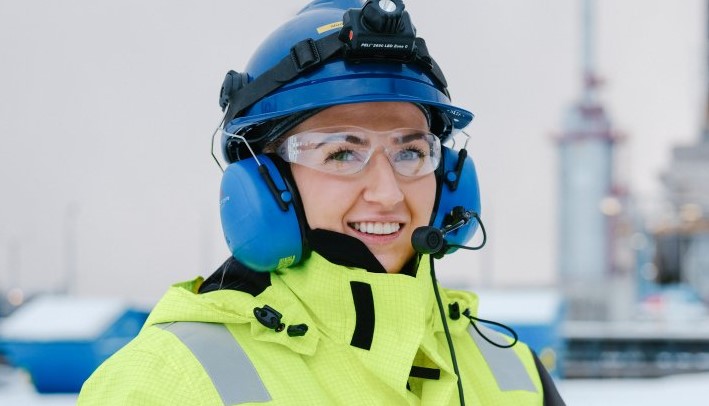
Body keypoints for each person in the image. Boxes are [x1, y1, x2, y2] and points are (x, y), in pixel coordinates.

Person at [79, 0, 565, 404]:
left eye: (411, 152)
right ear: (267, 180)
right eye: (342, 152)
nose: (388, 192)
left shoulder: (510, 369)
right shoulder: (167, 381)